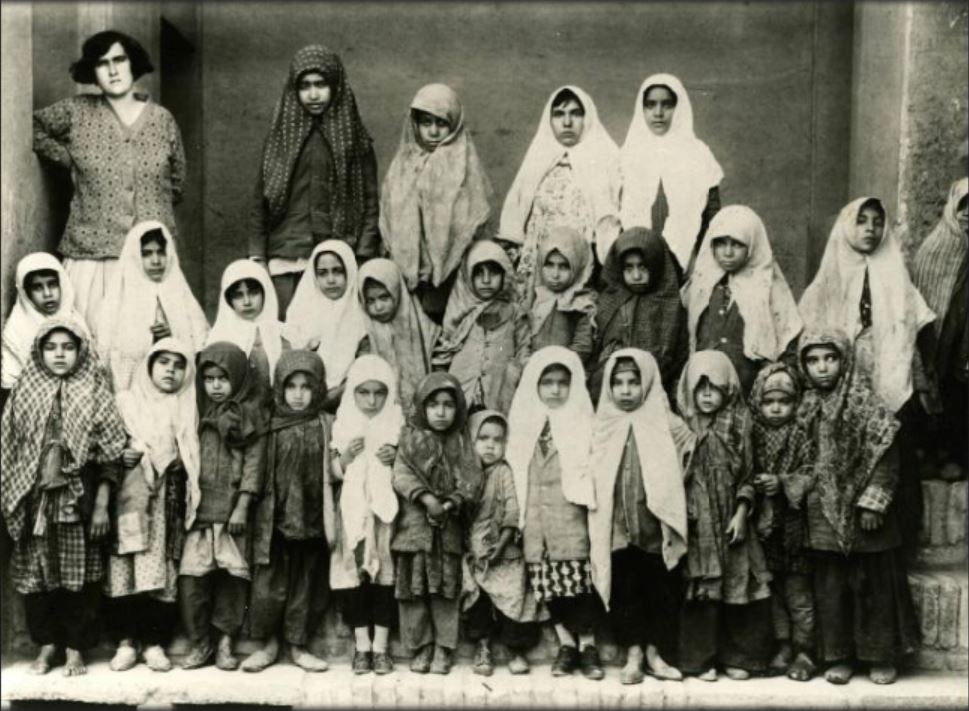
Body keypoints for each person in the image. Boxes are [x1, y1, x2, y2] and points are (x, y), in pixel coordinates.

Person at [799, 197, 935, 555]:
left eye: (877, 221)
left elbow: (913, 327)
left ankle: (895, 548)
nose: (870, 229)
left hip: (887, 371)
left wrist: (918, 378)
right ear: (847, 225)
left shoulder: (893, 271)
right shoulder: (831, 272)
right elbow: (810, 330)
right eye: (862, 221)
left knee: (893, 451)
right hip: (841, 376)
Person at [1, 319, 127, 677]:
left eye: (68, 347)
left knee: (79, 577)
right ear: (39, 351)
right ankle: (47, 645)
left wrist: (102, 504)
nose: (60, 354)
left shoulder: (93, 389)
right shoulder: (26, 389)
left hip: (78, 499)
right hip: (35, 499)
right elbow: (9, 447)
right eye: (51, 347)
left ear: (80, 351)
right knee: (38, 575)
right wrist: (14, 496)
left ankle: (75, 648)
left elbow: (110, 454)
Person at [33, 30, 185, 325]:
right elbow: (32, 127)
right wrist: (67, 159)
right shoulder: (77, 112)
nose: (113, 70)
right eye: (103, 63)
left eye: (120, 59)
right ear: (93, 71)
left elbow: (176, 184)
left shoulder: (162, 120)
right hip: (93, 261)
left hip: (148, 262)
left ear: (133, 64)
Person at [796, 327, 920, 685]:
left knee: (874, 587)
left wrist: (874, 502)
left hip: (865, 515)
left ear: (845, 360)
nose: (822, 368)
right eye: (813, 360)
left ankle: (879, 656)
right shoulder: (805, 406)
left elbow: (885, 453)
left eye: (830, 358)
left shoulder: (867, 404)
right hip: (823, 512)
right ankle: (840, 655)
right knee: (832, 589)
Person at [249, 44, 379, 317]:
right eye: (305, 86)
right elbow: (260, 201)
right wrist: (257, 255)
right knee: (289, 334)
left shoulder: (355, 139)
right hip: (284, 256)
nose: (313, 94)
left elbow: (369, 202)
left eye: (321, 84)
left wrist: (363, 254)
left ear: (335, 85)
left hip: (335, 261)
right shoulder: (279, 138)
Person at [587, 349, 688, 684]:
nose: (627, 390)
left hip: (653, 525)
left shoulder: (665, 421)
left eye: (634, 382)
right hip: (617, 525)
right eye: (618, 383)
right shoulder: (603, 423)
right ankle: (632, 653)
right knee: (625, 589)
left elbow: (689, 454)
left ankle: (655, 654)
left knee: (658, 588)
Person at [505, 346, 604, 680]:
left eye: (563, 382)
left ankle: (588, 646)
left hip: (571, 521)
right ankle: (566, 645)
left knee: (579, 586)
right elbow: (516, 471)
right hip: (536, 524)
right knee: (547, 586)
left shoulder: (582, 424)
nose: (555, 390)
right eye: (547, 382)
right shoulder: (523, 425)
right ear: (535, 385)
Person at [675, 350, 773, 681]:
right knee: (701, 586)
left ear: (728, 388)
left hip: (730, 517)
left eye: (713, 388)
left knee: (738, 585)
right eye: (699, 388)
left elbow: (747, 475)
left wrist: (742, 513)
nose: (706, 395)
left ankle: (740, 658)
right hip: (696, 520)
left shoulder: (740, 424)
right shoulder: (681, 425)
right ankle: (701, 660)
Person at [104, 339, 200, 673]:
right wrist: (122, 454)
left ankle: (155, 642)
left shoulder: (186, 406)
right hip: (130, 498)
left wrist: (179, 463)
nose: (170, 370)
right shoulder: (126, 402)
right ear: (149, 366)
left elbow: (190, 450)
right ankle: (127, 641)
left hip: (166, 500)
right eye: (163, 362)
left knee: (160, 569)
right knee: (126, 566)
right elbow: (106, 440)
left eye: (178, 364)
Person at [178, 342, 268, 671]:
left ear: (240, 379)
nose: (215, 386)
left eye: (224, 379)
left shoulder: (250, 416)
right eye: (209, 379)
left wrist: (243, 505)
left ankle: (225, 643)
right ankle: (200, 642)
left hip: (232, 512)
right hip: (199, 512)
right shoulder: (195, 411)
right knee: (192, 579)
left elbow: (254, 464)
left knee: (232, 579)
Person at [243, 351, 333, 673]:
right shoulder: (270, 425)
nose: (298, 394)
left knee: (305, 582)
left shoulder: (325, 424)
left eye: (306, 387)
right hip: (274, 519)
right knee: (269, 584)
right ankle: (268, 646)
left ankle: (298, 645)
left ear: (318, 389)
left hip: (311, 518)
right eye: (291, 386)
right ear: (279, 388)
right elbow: (255, 467)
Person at [392, 373, 482, 675]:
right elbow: (401, 475)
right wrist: (426, 500)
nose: (441, 412)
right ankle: (421, 646)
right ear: (421, 407)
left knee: (445, 591)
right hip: (414, 530)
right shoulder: (409, 439)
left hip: (447, 532)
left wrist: (449, 503)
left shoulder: (461, 442)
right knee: (414, 592)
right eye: (433, 405)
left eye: (448, 405)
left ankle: (444, 648)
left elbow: (472, 479)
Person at [380, 83, 493, 323]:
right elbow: (390, 214)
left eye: (441, 124)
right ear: (415, 124)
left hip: (452, 273)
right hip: (410, 269)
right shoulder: (403, 164)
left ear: (454, 125)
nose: (432, 132)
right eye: (425, 123)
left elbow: (474, 220)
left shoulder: (464, 165)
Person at [499, 85, 620, 288]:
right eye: (559, 114)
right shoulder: (537, 161)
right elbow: (515, 217)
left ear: (587, 118)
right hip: (541, 266)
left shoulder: (607, 161)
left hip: (587, 268)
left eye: (575, 114)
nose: (567, 122)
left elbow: (610, 223)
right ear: (550, 120)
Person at [330, 355, 403, 675]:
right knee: (355, 575)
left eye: (379, 393)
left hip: (386, 514)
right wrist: (344, 458)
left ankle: (381, 648)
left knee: (385, 576)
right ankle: (361, 647)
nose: (372, 401)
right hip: (353, 512)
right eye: (364, 392)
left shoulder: (396, 421)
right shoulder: (343, 422)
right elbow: (333, 470)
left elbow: (410, 466)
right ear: (352, 394)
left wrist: (397, 456)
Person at [682, 205, 802, 395]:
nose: (728, 252)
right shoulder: (700, 287)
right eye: (721, 243)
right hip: (705, 389)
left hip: (750, 385)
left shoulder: (769, 287)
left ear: (753, 244)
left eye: (737, 244)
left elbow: (787, 340)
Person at [748, 362, 816, 681]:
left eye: (784, 402)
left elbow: (812, 471)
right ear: (757, 403)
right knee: (772, 590)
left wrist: (783, 481)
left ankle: (805, 650)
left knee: (798, 593)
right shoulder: (753, 435)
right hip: (762, 526)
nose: (776, 409)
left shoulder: (801, 435)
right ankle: (783, 645)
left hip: (793, 526)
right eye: (769, 401)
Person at [461, 409, 542, 676]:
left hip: (503, 551)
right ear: (471, 440)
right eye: (482, 438)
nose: (490, 445)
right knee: (478, 600)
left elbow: (512, 510)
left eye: (497, 439)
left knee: (513, 598)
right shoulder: (465, 473)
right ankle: (483, 647)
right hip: (475, 553)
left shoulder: (504, 472)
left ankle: (516, 650)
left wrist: (504, 541)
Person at [618, 73, 722, 277]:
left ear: (679, 107)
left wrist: (699, 258)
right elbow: (616, 216)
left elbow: (712, 215)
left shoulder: (698, 154)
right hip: (635, 264)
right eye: (650, 105)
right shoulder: (627, 154)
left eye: (667, 105)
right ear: (642, 109)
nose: (658, 113)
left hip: (687, 261)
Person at [93, 221, 208, 392]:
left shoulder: (179, 291)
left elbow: (199, 340)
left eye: (161, 252)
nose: (156, 261)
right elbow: (108, 346)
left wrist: (172, 334)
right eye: (146, 254)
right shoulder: (119, 295)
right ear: (134, 255)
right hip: (131, 388)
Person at [588, 227, 687, 401]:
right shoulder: (610, 301)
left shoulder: (669, 304)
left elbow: (677, 355)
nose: (636, 275)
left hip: (655, 388)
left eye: (643, 267)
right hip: (611, 387)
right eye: (628, 268)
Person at [432, 240, 530, 413]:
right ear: (468, 276)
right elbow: (445, 351)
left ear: (505, 274)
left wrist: (514, 373)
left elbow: (524, 347)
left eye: (493, 273)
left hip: (501, 391)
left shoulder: (515, 312)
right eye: (479, 274)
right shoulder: (459, 311)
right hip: (462, 389)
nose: (486, 280)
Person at [912, 177, 969, 471]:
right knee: (934, 389)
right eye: (963, 206)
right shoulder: (933, 248)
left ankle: (954, 453)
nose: (968, 213)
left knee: (959, 395)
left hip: (964, 338)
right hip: (936, 336)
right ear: (952, 209)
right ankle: (931, 452)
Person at [285, 239, 369, 411]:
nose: (330, 280)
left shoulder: (361, 317)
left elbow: (363, 367)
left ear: (350, 272)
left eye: (337, 271)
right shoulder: (300, 312)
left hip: (348, 400)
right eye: (322, 273)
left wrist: (335, 395)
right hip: (303, 399)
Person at [208, 259, 302, 403]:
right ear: (228, 300)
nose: (247, 302)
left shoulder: (285, 333)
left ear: (265, 292)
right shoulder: (219, 338)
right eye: (238, 295)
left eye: (253, 293)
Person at [2, 253, 88, 408]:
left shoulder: (75, 320)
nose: (47, 294)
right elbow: (10, 384)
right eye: (37, 288)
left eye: (52, 284)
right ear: (26, 293)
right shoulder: (17, 329)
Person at [357, 258, 441, 417]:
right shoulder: (364, 332)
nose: (378, 307)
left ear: (397, 291)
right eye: (370, 301)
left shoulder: (422, 324)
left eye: (384, 297)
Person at [527, 226, 596, 368]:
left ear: (577, 266)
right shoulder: (534, 296)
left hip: (564, 373)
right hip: (532, 368)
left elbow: (582, 346)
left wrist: (560, 370)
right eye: (550, 265)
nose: (555, 274)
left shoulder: (581, 303)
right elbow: (522, 337)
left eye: (564, 266)